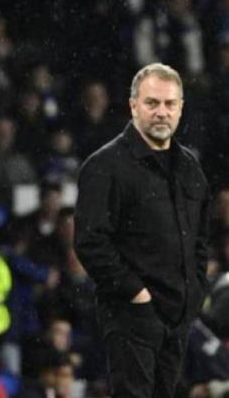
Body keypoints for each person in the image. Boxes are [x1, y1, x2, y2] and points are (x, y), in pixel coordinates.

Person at [74, 63, 210, 397]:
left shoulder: (190, 167)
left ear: (181, 108)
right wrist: (137, 294)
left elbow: (200, 239)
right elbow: (90, 242)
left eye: (170, 104)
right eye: (152, 103)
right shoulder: (104, 166)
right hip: (131, 316)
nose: (162, 112)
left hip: (178, 316)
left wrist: (195, 290)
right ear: (133, 105)